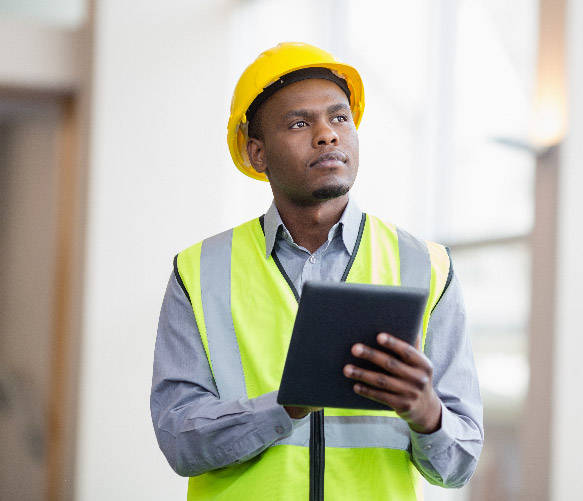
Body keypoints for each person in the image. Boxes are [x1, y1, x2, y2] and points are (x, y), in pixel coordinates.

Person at [150, 42, 483, 501]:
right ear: (258, 154)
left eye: (340, 117)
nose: (327, 134)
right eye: (300, 123)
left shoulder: (427, 267)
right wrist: (281, 408)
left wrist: (427, 413)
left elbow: (459, 466)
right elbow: (179, 441)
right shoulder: (198, 272)